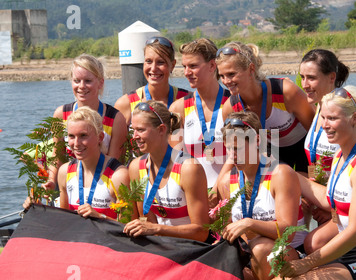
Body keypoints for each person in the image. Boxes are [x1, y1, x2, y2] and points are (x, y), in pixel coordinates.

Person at [263, 86, 356, 280]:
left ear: (355, 118)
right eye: (323, 117)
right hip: (346, 255)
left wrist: (305, 264)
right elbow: (328, 199)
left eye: (333, 118)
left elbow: (355, 232)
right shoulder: (339, 157)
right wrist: (286, 173)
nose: (325, 125)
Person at [299, 49, 356, 253]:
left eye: (311, 78)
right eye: (302, 77)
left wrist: (335, 210)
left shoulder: (351, 119)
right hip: (326, 199)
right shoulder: (318, 110)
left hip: (344, 204)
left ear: (331, 78)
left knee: (314, 243)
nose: (304, 84)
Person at [217, 111, 307, 280]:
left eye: (238, 148)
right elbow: (228, 233)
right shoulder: (226, 181)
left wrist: (249, 223)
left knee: (261, 248)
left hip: (290, 254)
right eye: (228, 149)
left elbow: (287, 233)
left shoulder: (280, 174)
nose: (233, 156)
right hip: (250, 258)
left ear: (257, 141)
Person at [216, 41, 315, 173]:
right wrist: (217, 185)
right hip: (272, 152)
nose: (226, 81)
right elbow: (233, 152)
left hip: (304, 149)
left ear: (251, 69)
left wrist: (317, 175)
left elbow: (316, 136)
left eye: (231, 74)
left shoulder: (286, 91)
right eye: (222, 76)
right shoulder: (231, 107)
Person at [123, 101, 210, 242]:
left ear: (161, 129)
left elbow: (201, 233)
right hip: (160, 248)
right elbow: (145, 221)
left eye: (141, 130)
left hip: (191, 249)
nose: (135, 136)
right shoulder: (135, 167)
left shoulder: (189, 168)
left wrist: (156, 229)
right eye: (133, 130)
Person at [24, 107, 129, 221]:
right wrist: (39, 208)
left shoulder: (118, 175)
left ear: (100, 137)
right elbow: (64, 220)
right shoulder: (65, 171)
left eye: (83, 136)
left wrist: (100, 217)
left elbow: (128, 225)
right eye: (71, 136)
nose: (76, 143)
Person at [45, 54, 128, 193]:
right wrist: (52, 180)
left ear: (100, 82)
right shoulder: (61, 114)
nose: (81, 86)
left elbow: (114, 164)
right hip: (70, 186)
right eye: (77, 80)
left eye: (88, 81)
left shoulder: (115, 118)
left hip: (103, 188)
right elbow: (57, 155)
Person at [169, 38, 231, 205]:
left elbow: (242, 155)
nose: (187, 72)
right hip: (192, 195)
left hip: (227, 191)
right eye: (184, 66)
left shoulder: (232, 104)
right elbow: (175, 157)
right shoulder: (178, 109)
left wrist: (217, 187)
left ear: (212, 66)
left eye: (193, 66)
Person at [114, 36, 190, 126]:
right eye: (148, 61)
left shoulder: (188, 100)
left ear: (172, 65)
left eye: (161, 62)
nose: (153, 69)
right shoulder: (125, 104)